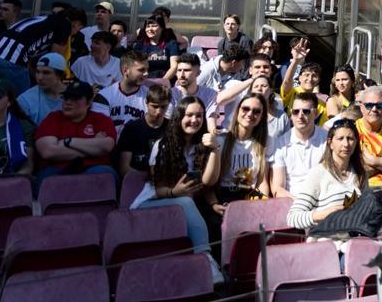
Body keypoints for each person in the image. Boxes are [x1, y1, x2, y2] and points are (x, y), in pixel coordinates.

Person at [129, 95, 223, 285]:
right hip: (150, 203)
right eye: (189, 115)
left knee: (207, 214)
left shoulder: (200, 146)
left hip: (184, 204)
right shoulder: (162, 145)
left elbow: (208, 181)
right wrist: (174, 193)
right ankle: (206, 259)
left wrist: (215, 150)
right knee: (186, 202)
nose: (194, 120)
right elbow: (157, 188)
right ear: (179, 117)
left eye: (199, 116)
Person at [33, 80, 118, 190]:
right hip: (58, 169)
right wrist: (92, 148)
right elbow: (48, 151)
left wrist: (67, 142)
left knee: (104, 174)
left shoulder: (101, 120)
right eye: (66, 97)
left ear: (89, 102)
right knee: (47, 177)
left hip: (93, 168)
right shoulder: (53, 118)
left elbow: (106, 146)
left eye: (75, 98)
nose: (68, 102)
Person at [286, 118, 367, 229]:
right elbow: (292, 218)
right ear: (330, 142)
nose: (346, 144)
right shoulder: (318, 173)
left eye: (350, 139)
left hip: (356, 236)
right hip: (327, 237)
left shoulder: (360, 173)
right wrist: (324, 214)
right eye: (340, 138)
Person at [209, 92, 273, 208]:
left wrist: (261, 206)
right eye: (245, 109)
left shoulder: (265, 142)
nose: (250, 114)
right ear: (238, 110)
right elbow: (208, 182)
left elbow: (262, 182)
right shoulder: (220, 140)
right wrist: (213, 204)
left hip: (249, 197)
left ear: (262, 116)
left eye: (256, 111)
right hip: (223, 197)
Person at [271, 91, 329, 197]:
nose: (300, 116)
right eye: (296, 112)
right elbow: (278, 188)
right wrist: (299, 202)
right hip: (291, 200)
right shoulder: (280, 144)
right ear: (291, 114)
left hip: (322, 197)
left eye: (306, 111)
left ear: (316, 113)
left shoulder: (328, 140)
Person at [0, 79, 33, 178]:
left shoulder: (24, 126)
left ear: (9, 102)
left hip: (13, 181)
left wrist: (11, 181)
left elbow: (28, 166)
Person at [115, 83, 170, 174]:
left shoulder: (172, 128)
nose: (159, 111)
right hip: (137, 177)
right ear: (146, 103)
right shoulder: (131, 129)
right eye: (155, 106)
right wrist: (147, 177)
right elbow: (124, 168)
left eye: (163, 107)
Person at [95, 51, 150, 134]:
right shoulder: (104, 96)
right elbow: (99, 129)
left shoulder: (151, 96)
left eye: (147, 69)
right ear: (125, 70)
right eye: (141, 70)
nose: (146, 73)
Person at [16, 53, 67, 126]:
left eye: (46, 73)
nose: (40, 77)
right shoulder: (25, 100)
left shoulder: (76, 97)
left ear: (60, 75)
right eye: (37, 72)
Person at [172, 53, 219, 131]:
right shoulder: (171, 94)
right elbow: (169, 125)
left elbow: (211, 125)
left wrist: (212, 135)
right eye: (179, 70)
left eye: (187, 70)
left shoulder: (210, 94)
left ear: (198, 73)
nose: (182, 75)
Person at [280, 51, 326, 126]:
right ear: (299, 77)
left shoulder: (322, 105)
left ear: (318, 80)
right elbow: (286, 82)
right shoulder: (292, 92)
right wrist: (295, 60)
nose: (310, 79)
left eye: (314, 76)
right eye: (307, 75)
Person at [133, 14, 180, 81]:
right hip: (144, 81)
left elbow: (174, 67)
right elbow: (134, 65)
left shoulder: (171, 43)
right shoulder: (140, 44)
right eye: (148, 26)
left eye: (154, 26)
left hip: (165, 81)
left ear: (162, 28)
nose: (150, 29)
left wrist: (162, 81)